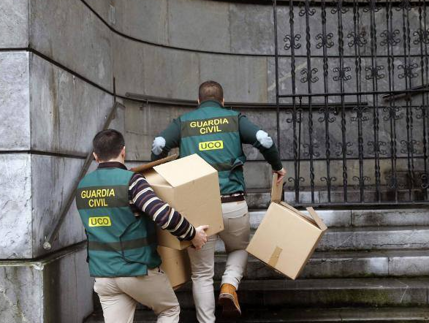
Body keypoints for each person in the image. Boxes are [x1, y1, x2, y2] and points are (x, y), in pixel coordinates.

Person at [151, 80, 286, 322]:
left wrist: (162, 176)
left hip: (197, 211)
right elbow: (265, 140)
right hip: (232, 203)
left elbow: (159, 144)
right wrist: (277, 167)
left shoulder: (184, 122)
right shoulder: (234, 118)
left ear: (198, 102)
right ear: (223, 101)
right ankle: (228, 286)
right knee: (240, 248)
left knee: (201, 274)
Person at [76, 129, 209, 323]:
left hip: (103, 275)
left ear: (95, 156)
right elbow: (164, 215)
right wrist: (192, 234)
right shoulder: (132, 182)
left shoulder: (82, 186)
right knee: (169, 310)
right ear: (124, 151)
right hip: (136, 269)